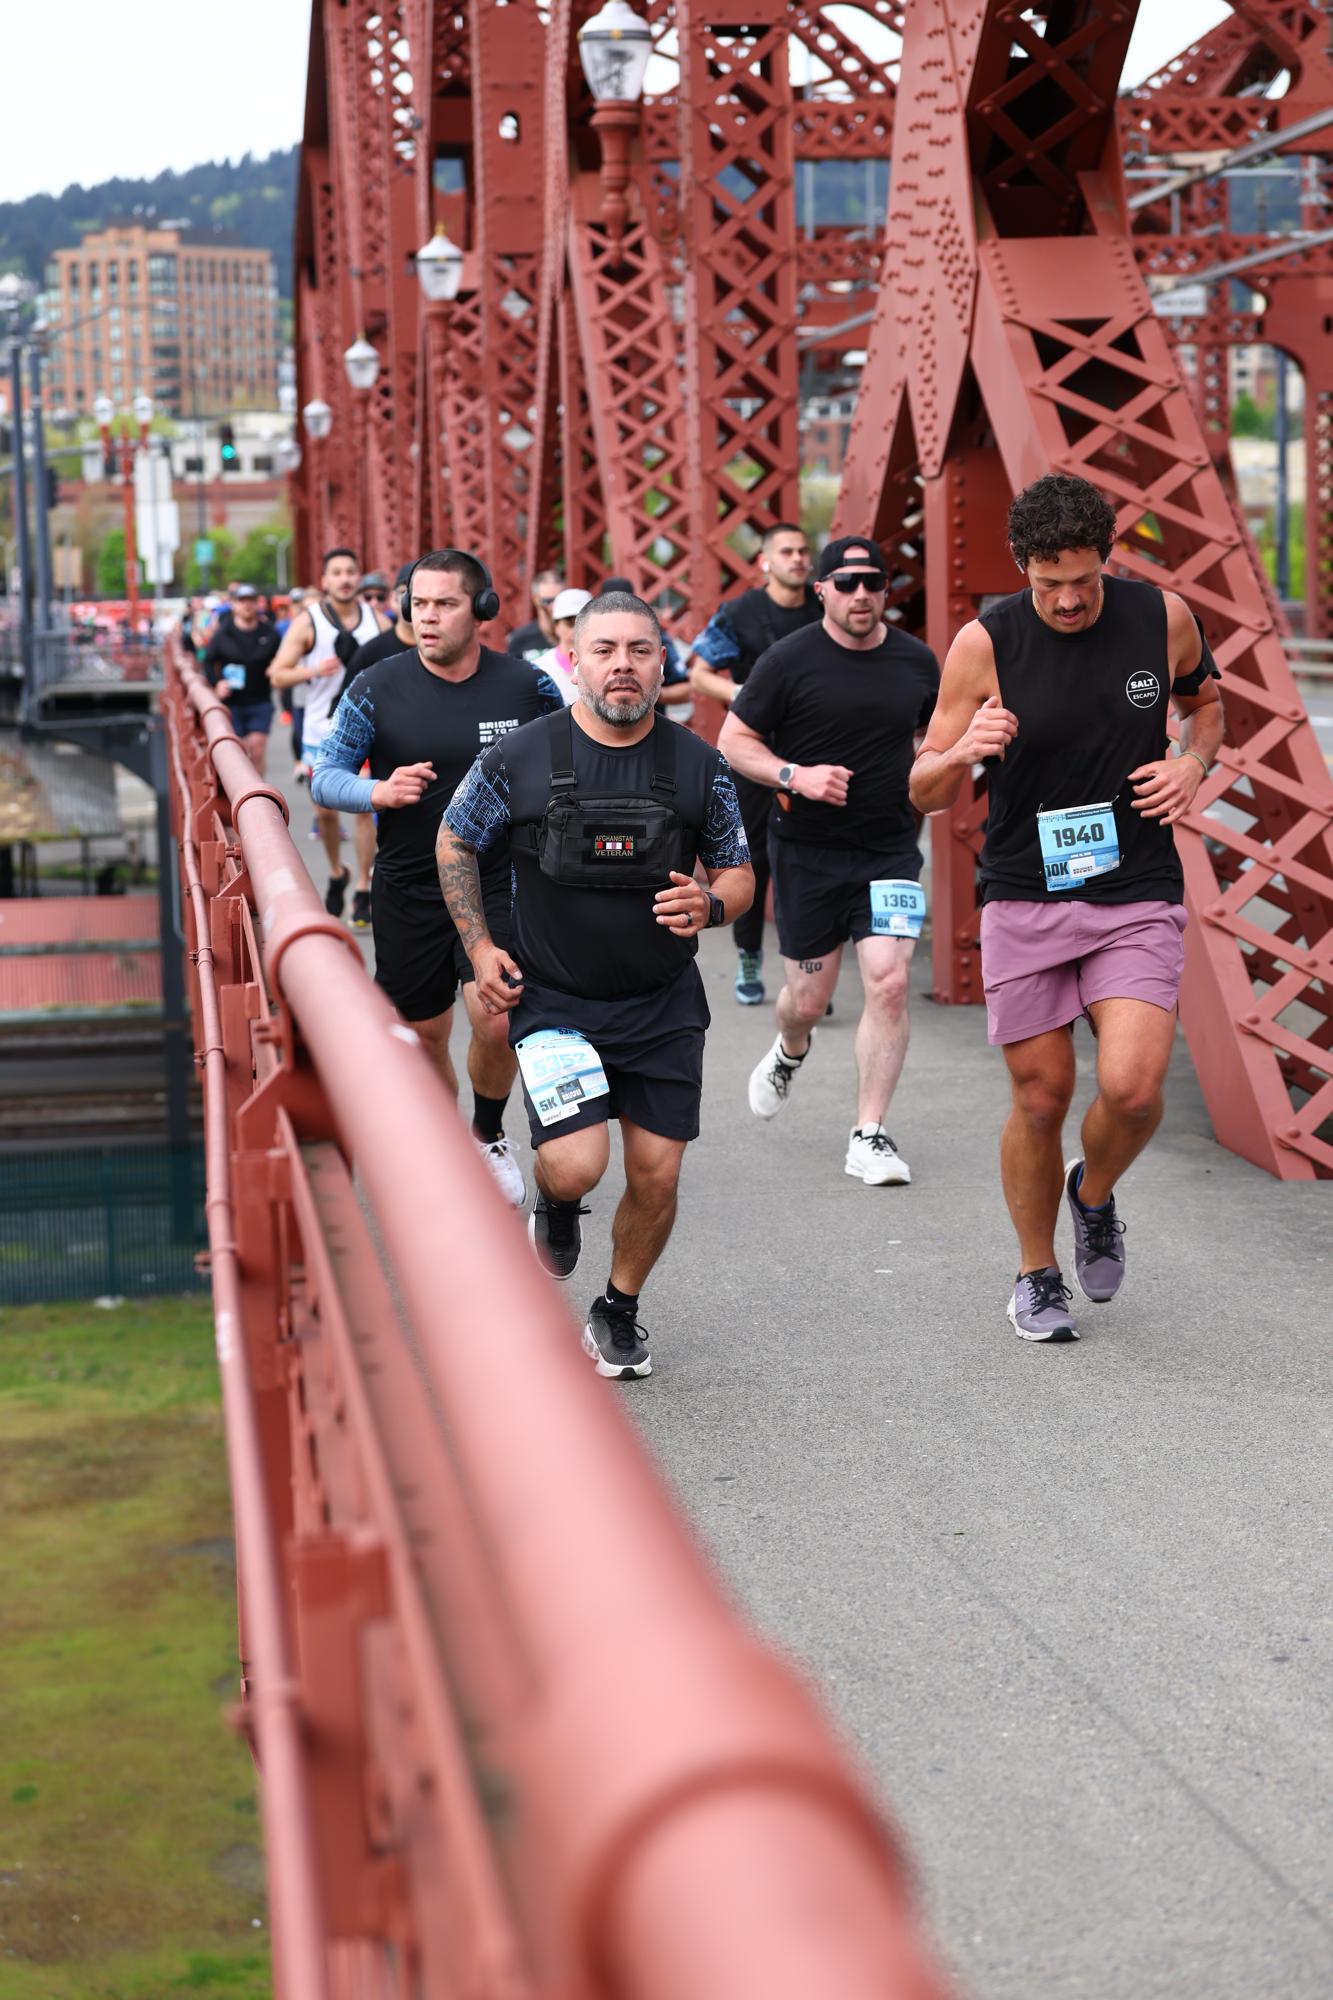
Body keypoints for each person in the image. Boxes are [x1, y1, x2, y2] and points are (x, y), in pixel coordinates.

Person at [909, 472, 1225, 1343]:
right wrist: (961, 752)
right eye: (1050, 583)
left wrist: (1191, 762)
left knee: (1132, 1089)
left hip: (1135, 887)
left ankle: (1092, 1193)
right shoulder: (985, 643)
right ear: (1022, 566)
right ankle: (1035, 1272)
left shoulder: (1160, 617)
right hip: (1024, 891)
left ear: (1105, 560)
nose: (1069, 599)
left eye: (1083, 580)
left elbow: (1205, 707)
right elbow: (923, 789)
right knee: (1041, 1097)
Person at [438, 589, 753, 1379]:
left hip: (662, 1005)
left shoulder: (700, 764)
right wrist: (479, 946)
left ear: (661, 663)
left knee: (657, 1173)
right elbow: (454, 840)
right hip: (554, 1003)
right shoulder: (517, 757)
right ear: (574, 660)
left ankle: (617, 1308)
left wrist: (712, 904)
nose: (622, 666)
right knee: (578, 1165)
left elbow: (739, 871)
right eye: (604, 650)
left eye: (639, 651)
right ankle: (556, 1199)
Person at [311, 549, 567, 1206]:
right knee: (425, 1032)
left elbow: (571, 763)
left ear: (481, 611)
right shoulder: (377, 685)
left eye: (444, 604)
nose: (426, 617)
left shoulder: (528, 687)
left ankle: (487, 1135)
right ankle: (443, 1137)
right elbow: (325, 775)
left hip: (499, 879)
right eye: (418, 604)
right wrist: (376, 791)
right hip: (409, 883)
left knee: (498, 1015)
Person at [719, 535, 939, 1187]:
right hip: (807, 853)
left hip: (889, 850)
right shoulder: (788, 660)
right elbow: (733, 740)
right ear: (821, 591)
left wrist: (936, 767)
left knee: (889, 982)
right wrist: (795, 775)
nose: (861, 594)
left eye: (873, 582)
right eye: (845, 583)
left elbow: (933, 734)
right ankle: (791, 1049)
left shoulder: (917, 661)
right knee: (807, 1001)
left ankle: (868, 1134)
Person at [685, 523, 822, 1003]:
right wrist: (746, 693)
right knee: (751, 858)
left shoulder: (825, 605)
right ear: (765, 561)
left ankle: (809, 968)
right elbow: (699, 675)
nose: (798, 558)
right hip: (753, 751)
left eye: (803, 550)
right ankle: (748, 957)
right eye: (787, 551)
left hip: (814, 749)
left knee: (810, 859)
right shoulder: (740, 612)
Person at [269, 548, 388, 917]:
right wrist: (313, 671)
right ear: (324, 580)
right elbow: (277, 673)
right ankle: (337, 872)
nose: (344, 579)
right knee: (325, 810)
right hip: (321, 729)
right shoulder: (309, 622)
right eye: (336, 572)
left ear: (358, 577)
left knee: (365, 806)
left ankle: (363, 886)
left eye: (350, 571)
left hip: (368, 729)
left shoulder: (377, 621)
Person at [200, 583, 280, 772]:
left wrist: (277, 667)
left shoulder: (270, 633)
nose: (247, 605)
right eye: (242, 601)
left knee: (257, 748)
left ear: (257, 604)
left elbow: (283, 657)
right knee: (240, 750)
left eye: (251, 601)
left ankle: (258, 787)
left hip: (260, 699)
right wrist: (216, 684)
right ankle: (244, 788)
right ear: (234, 605)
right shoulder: (222, 634)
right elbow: (209, 661)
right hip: (232, 702)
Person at [532, 586, 589, 703]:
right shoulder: (540, 668)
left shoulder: (608, 666)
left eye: (583, 624)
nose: (577, 630)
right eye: (570, 624)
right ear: (556, 626)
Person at [506, 568, 563, 663]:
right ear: (535, 599)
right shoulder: (520, 639)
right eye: (547, 601)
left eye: (559, 599)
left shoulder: (575, 636)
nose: (554, 606)